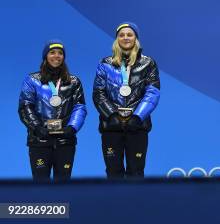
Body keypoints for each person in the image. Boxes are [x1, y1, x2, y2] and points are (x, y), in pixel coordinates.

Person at [93, 22, 160, 178]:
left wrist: (137, 117)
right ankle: (113, 203)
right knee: (113, 173)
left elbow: (152, 92)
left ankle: (135, 203)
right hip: (111, 126)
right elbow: (98, 93)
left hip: (137, 126)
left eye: (129, 34)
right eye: (121, 35)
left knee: (136, 173)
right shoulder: (105, 64)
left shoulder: (148, 63)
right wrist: (112, 115)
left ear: (136, 38)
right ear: (117, 40)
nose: (125, 38)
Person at [18, 40, 87, 182]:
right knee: (40, 184)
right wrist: (36, 127)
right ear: (45, 56)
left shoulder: (74, 82)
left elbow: (79, 107)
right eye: (52, 52)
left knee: (63, 185)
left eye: (60, 53)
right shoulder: (32, 80)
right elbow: (25, 106)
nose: (57, 56)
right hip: (39, 140)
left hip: (65, 141)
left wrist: (72, 128)